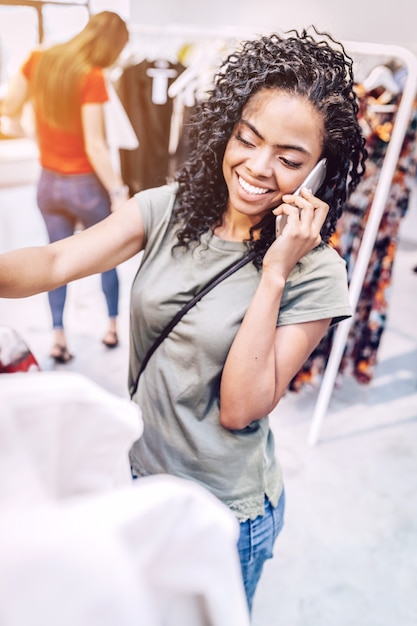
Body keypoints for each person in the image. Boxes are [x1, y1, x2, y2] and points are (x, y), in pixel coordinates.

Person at [0, 28, 367, 611]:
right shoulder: (167, 209)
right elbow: (54, 259)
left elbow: (240, 407)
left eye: (290, 159)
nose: (258, 166)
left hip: (224, 512)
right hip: (138, 476)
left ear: (321, 173)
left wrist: (274, 272)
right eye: (247, 139)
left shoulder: (316, 274)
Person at [1, 11, 130, 362]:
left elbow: (9, 107)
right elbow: (95, 146)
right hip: (85, 186)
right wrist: (118, 192)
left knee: (52, 259)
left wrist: (36, 135)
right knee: (106, 256)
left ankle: (58, 337)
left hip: (48, 183)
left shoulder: (38, 59)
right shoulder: (92, 74)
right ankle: (112, 327)